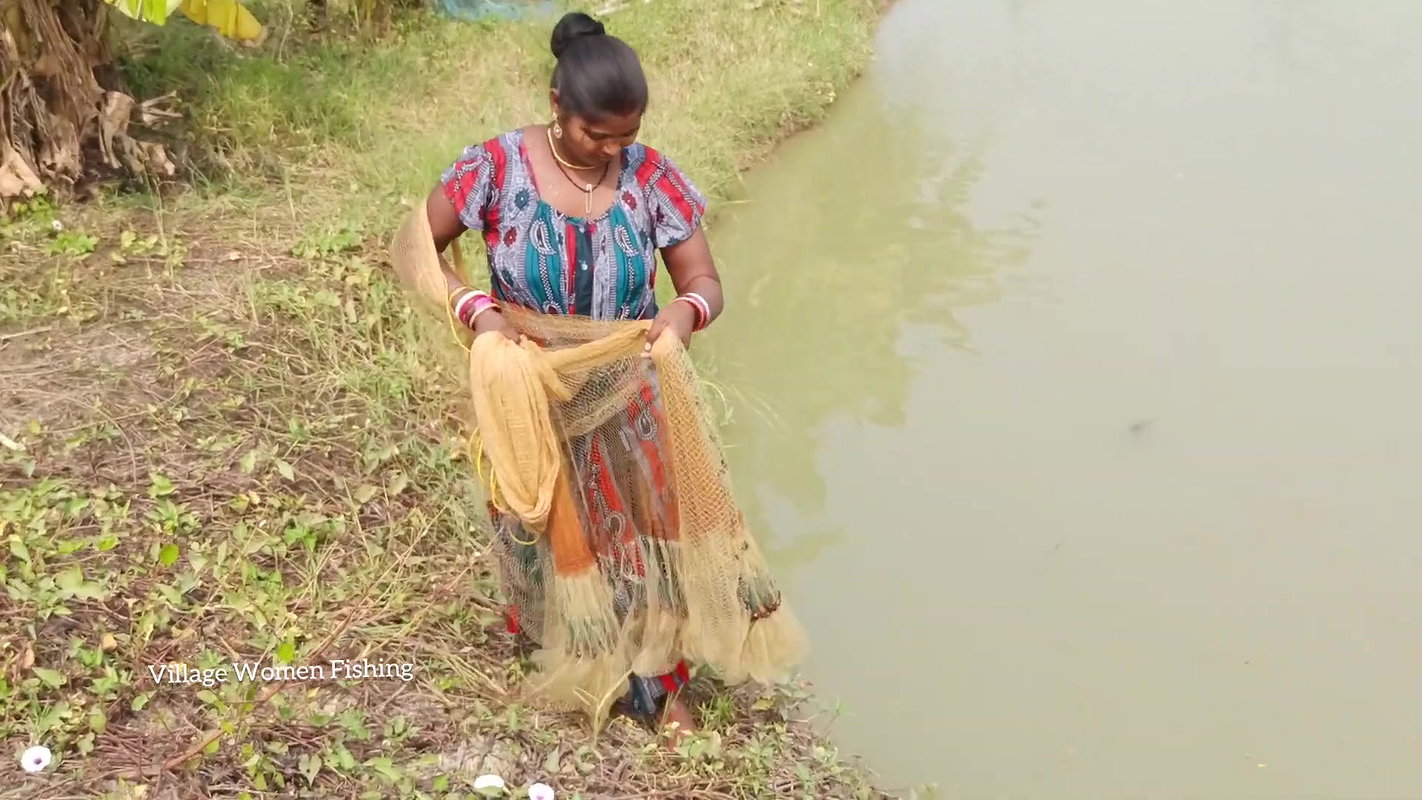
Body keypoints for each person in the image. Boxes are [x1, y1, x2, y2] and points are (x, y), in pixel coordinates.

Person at [423, 11, 726, 739]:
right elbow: (416, 246)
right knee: (541, 525)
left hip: (627, 391)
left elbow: (705, 278)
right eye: (599, 135)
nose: (613, 149)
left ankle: (659, 683)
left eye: (627, 134)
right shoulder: (494, 168)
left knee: (646, 534)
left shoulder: (651, 177)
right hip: (529, 390)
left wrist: (683, 315)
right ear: (557, 104)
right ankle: (567, 652)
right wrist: (477, 312)